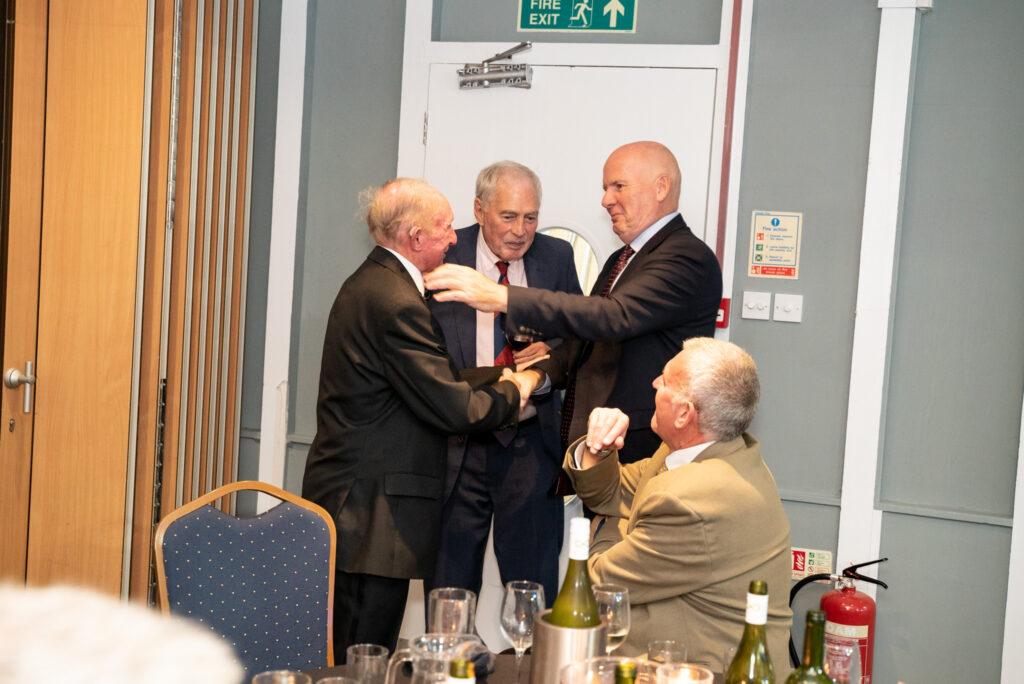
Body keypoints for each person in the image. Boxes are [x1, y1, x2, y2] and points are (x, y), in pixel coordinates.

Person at [301, 178, 539, 655]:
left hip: (361, 508)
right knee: (361, 660)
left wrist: (502, 374)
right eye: (445, 227)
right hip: (370, 517)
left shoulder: (377, 282)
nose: (454, 238)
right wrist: (519, 388)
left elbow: (432, 378)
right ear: (415, 236)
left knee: (357, 653)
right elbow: (454, 407)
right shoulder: (395, 300)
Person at [425, 141, 723, 462]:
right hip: (597, 443)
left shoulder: (686, 257)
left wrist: (502, 296)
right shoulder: (622, 259)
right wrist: (536, 376)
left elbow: (613, 317)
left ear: (660, 187)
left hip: (643, 446)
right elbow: (584, 341)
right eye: (605, 188)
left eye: (618, 186)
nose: (606, 200)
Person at [567, 337, 792, 674]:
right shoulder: (719, 452)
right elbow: (610, 494)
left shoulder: (691, 499)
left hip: (708, 673)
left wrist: (607, 523)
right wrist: (599, 446)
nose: (654, 383)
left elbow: (597, 583)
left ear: (685, 413)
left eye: (666, 381)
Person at [427, 161, 582, 605]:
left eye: (530, 217)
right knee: (450, 587)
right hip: (457, 443)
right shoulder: (444, 255)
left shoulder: (556, 257)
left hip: (530, 446)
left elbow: (578, 339)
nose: (520, 231)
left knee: (533, 588)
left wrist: (550, 356)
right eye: (508, 216)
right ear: (479, 210)